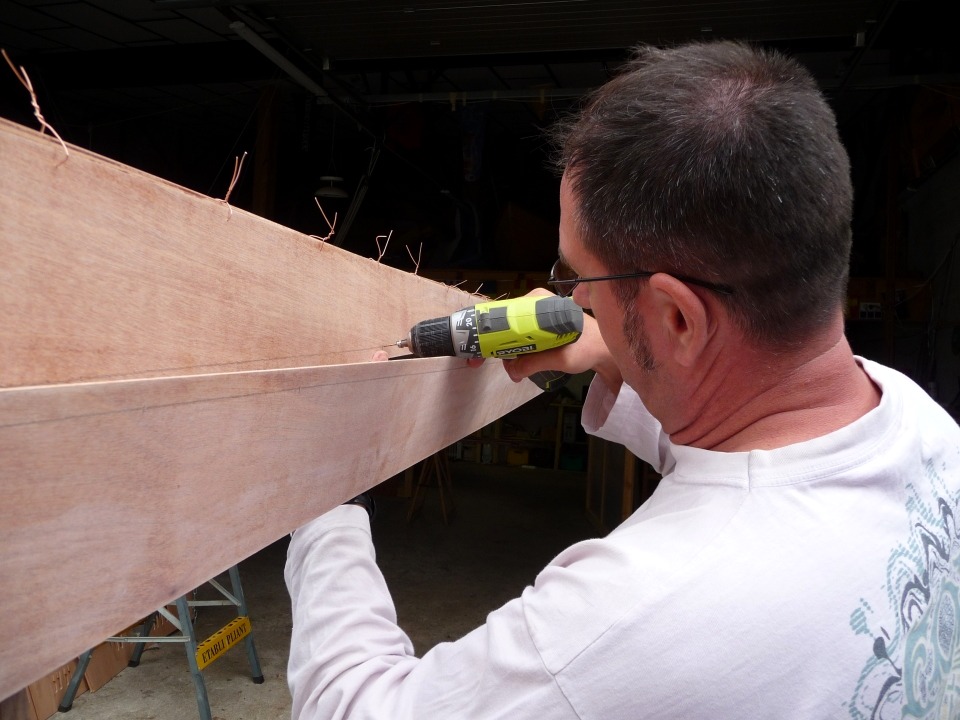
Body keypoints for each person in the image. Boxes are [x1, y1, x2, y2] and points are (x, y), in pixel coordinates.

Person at [285, 41, 960, 719]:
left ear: (677, 318)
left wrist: (327, 500)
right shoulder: (919, 425)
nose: (571, 301)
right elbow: (745, 481)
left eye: (580, 277)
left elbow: (350, 708)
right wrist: (618, 357)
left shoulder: (627, 619)